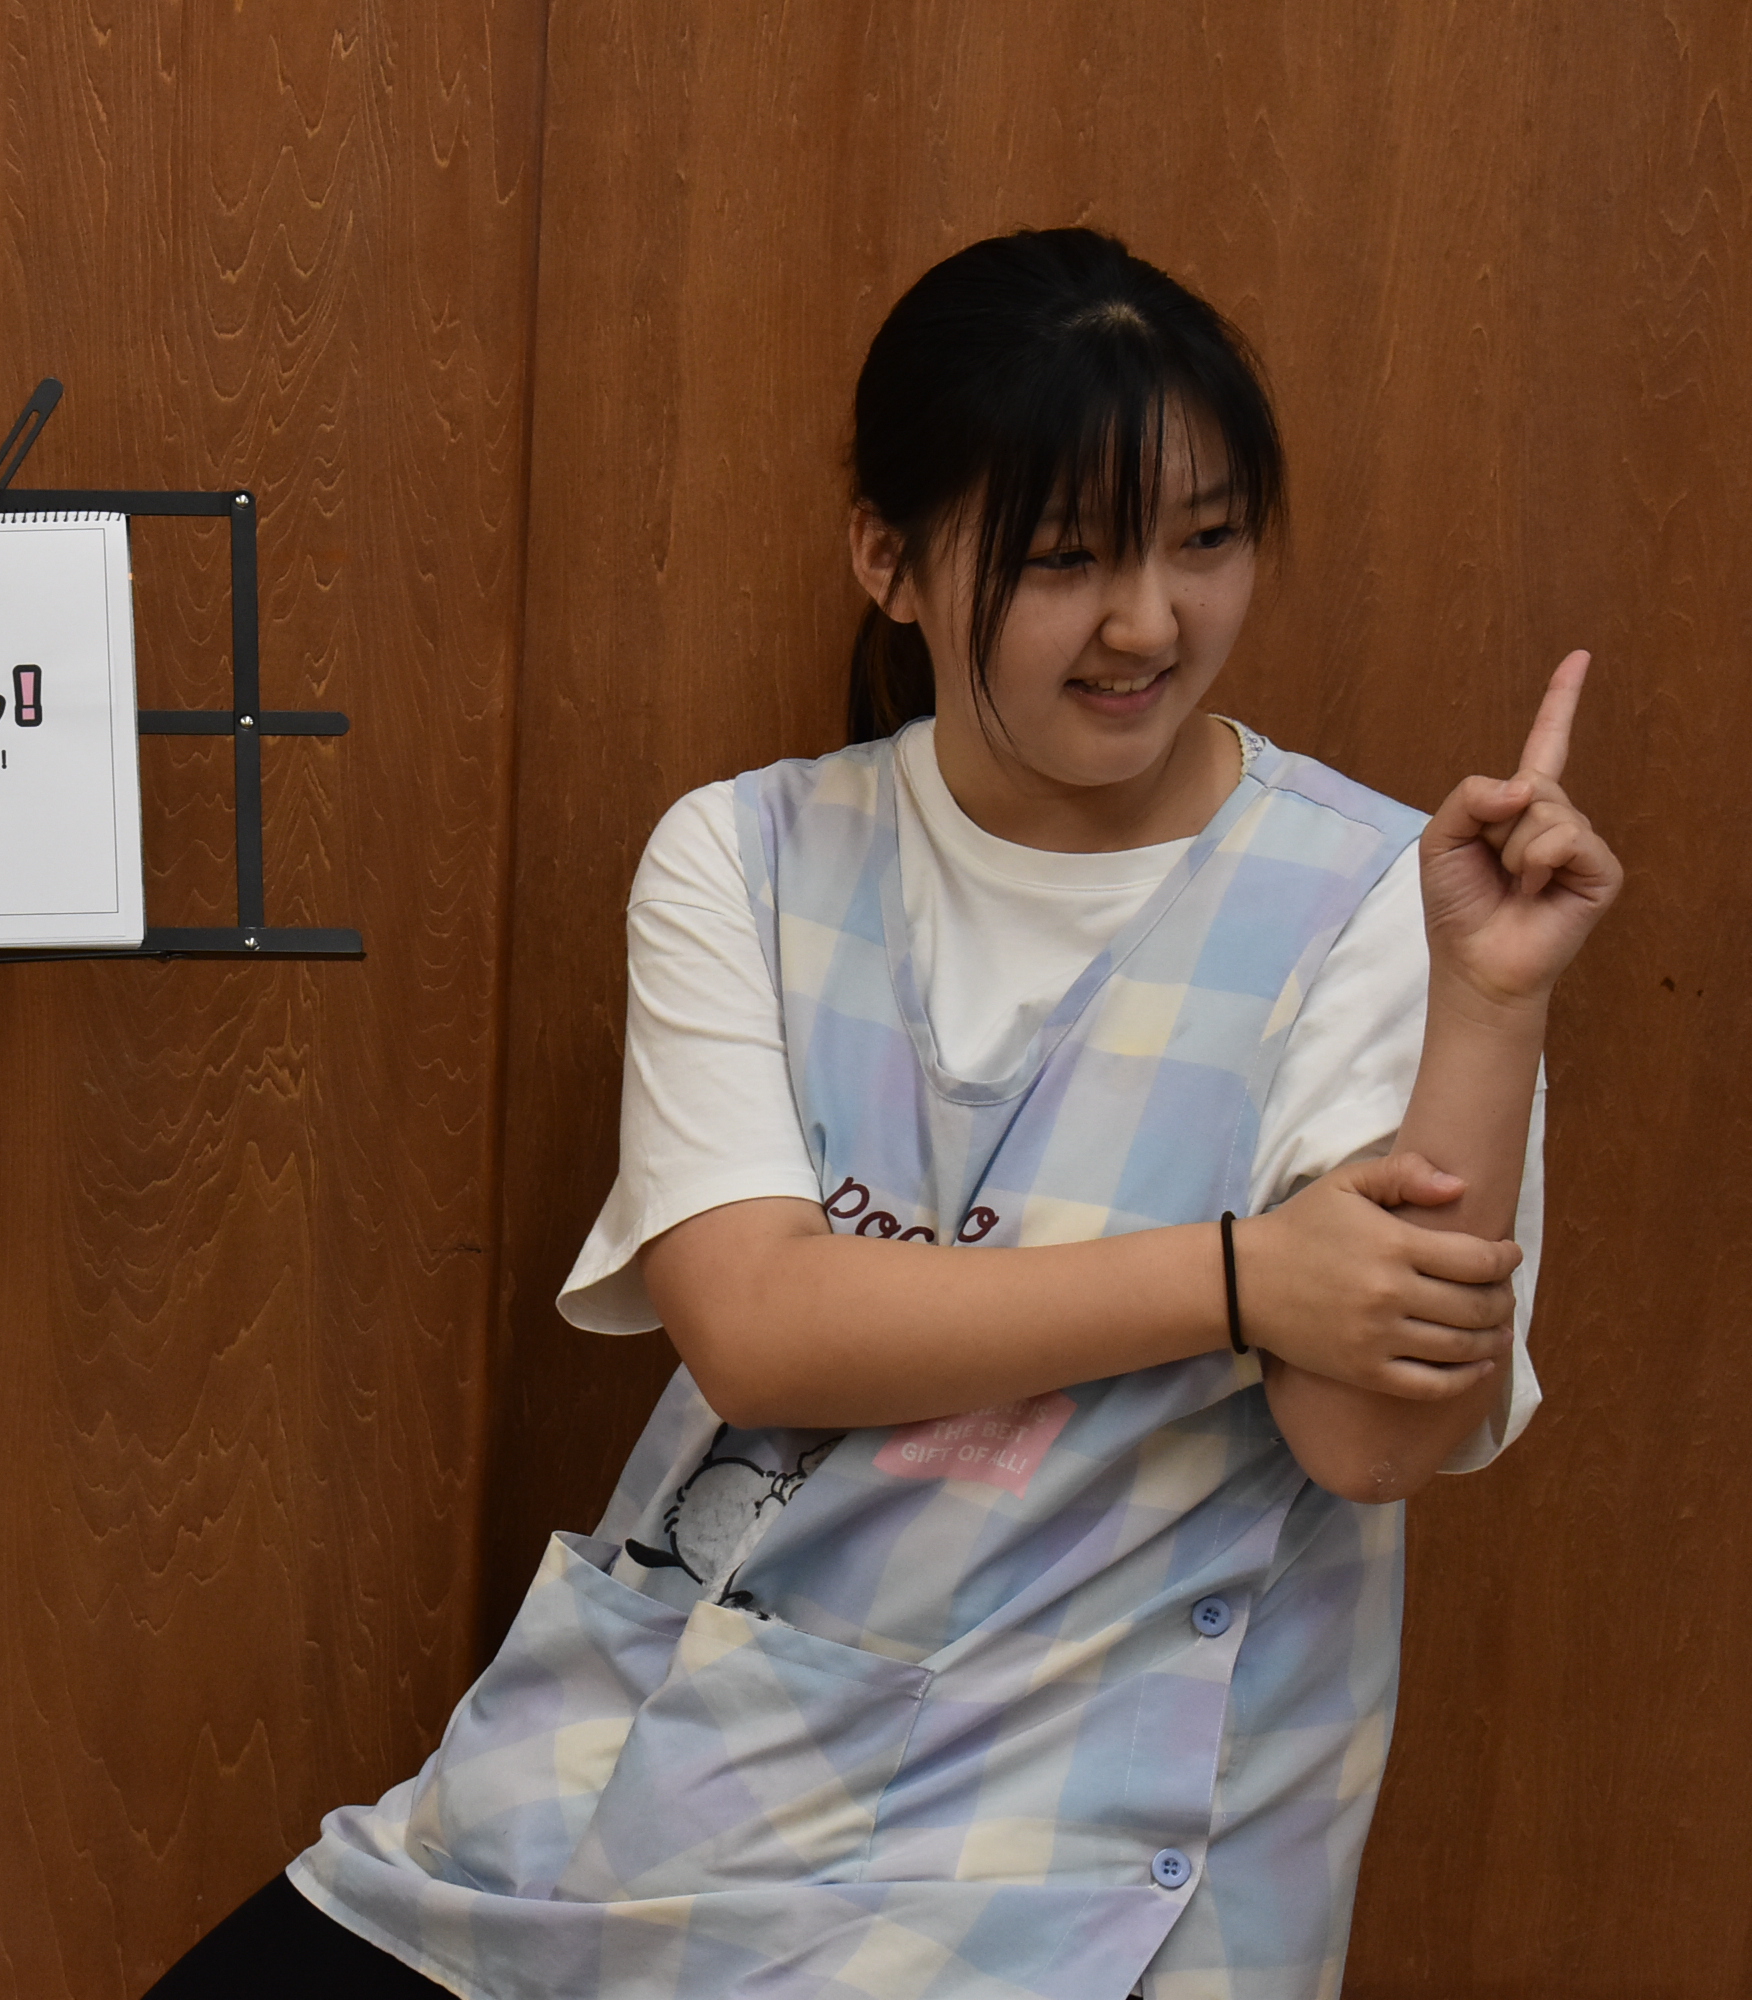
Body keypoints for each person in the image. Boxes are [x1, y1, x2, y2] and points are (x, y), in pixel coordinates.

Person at [146, 228, 1621, 2000]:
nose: (1150, 623)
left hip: (1076, 1843)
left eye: (1206, 541)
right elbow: (761, 1328)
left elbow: (1368, 1446)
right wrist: (1245, 1279)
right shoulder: (744, 854)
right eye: (1066, 559)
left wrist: (1492, 1000)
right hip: (682, 1763)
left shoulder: (1379, 898)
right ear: (888, 559)